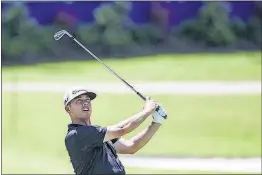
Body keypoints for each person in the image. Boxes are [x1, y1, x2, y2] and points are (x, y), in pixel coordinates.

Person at [63, 86, 168, 175]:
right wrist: (148, 110)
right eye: (79, 101)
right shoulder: (77, 134)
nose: (85, 103)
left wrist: (157, 122)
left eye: (87, 100)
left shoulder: (98, 133)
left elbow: (131, 147)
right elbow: (122, 129)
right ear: (68, 109)